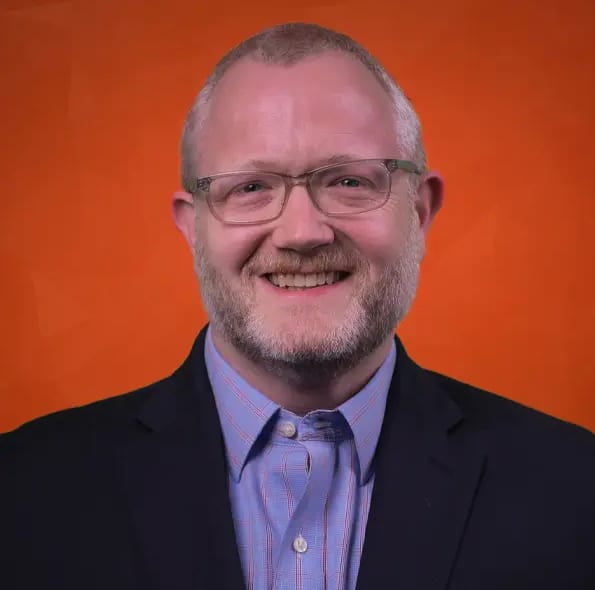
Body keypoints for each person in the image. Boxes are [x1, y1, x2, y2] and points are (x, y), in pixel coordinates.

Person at [1, 22, 593, 590]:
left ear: (418, 211)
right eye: (251, 188)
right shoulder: (22, 491)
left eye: (350, 182)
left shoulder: (575, 491)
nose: (303, 232)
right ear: (193, 227)